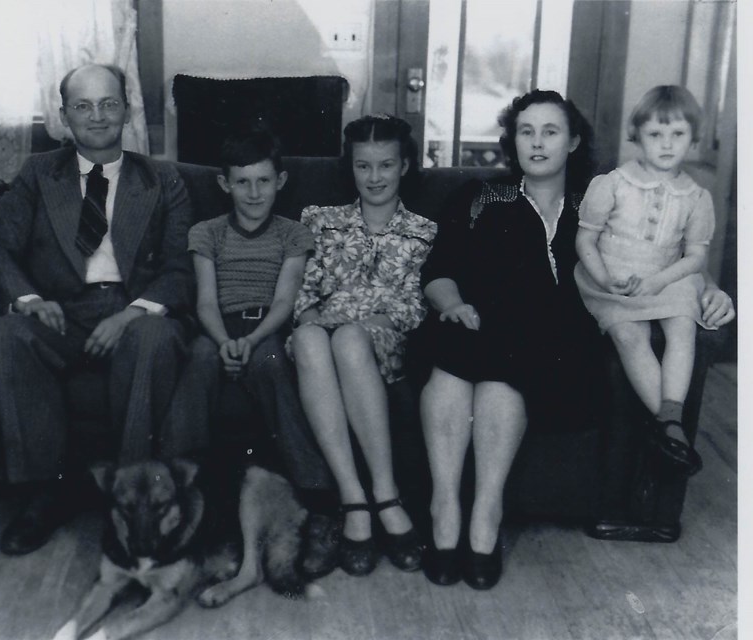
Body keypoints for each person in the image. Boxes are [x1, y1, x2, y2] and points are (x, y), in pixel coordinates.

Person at [417, 89, 735, 592]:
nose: (537, 142)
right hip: (475, 321)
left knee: (503, 371)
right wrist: (452, 303)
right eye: (526, 131)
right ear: (512, 140)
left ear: (573, 141)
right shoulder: (480, 196)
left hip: (556, 338)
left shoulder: (607, 196)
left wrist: (710, 291)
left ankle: (486, 511)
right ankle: (444, 506)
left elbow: (663, 255)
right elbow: (438, 270)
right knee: (458, 353)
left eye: (551, 131)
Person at [0, 63, 195, 556]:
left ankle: (131, 502)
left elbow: (182, 266)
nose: (96, 117)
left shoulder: (162, 179)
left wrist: (134, 312)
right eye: (82, 105)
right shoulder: (38, 173)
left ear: (127, 108)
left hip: (132, 309)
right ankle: (45, 493)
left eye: (108, 103)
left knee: (153, 338)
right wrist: (31, 301)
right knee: (3, 337)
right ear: (63, 116)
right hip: (61, 311)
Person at [167, 128, 341, 577]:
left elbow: (286, 302)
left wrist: (252, 338)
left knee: (270, 362)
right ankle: (182, 489)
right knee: (201, 359)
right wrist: (225, 341)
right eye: (242, 182)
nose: (254, 192)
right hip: (217, 325)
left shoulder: (293, 234)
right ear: (224, 184)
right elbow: (205, 300)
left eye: (263, 181)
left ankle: (316, 495)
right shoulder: (206, 233)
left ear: (280, 180)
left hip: (269, 326)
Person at [289, 114, 437, 576]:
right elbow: (303, 291)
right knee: (309, 338)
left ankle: (386, 494)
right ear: (350, 168)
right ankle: (355, 498)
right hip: (322, 336)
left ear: (405, 166)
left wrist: (380, 317)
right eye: (363, 166)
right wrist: (309, 314)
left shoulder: (423, 232)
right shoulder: (320, 222)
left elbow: (418, 302)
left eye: (386, 165)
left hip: (379, 340)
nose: (374, 177)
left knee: (350, 339)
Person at [575, 86, 713, 476]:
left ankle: (669, 417)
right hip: (611, 275)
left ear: (694, 138)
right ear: (636, 135)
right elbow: (585, 239)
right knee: (628, 334)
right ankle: (672, 432)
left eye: (678, 135)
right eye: (655, 134)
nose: (667, 144)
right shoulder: (613, 184)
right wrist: (603, 280)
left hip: (667, 274)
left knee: (683, 325)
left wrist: (660, 282)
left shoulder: (696, 197)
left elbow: (696, 257)